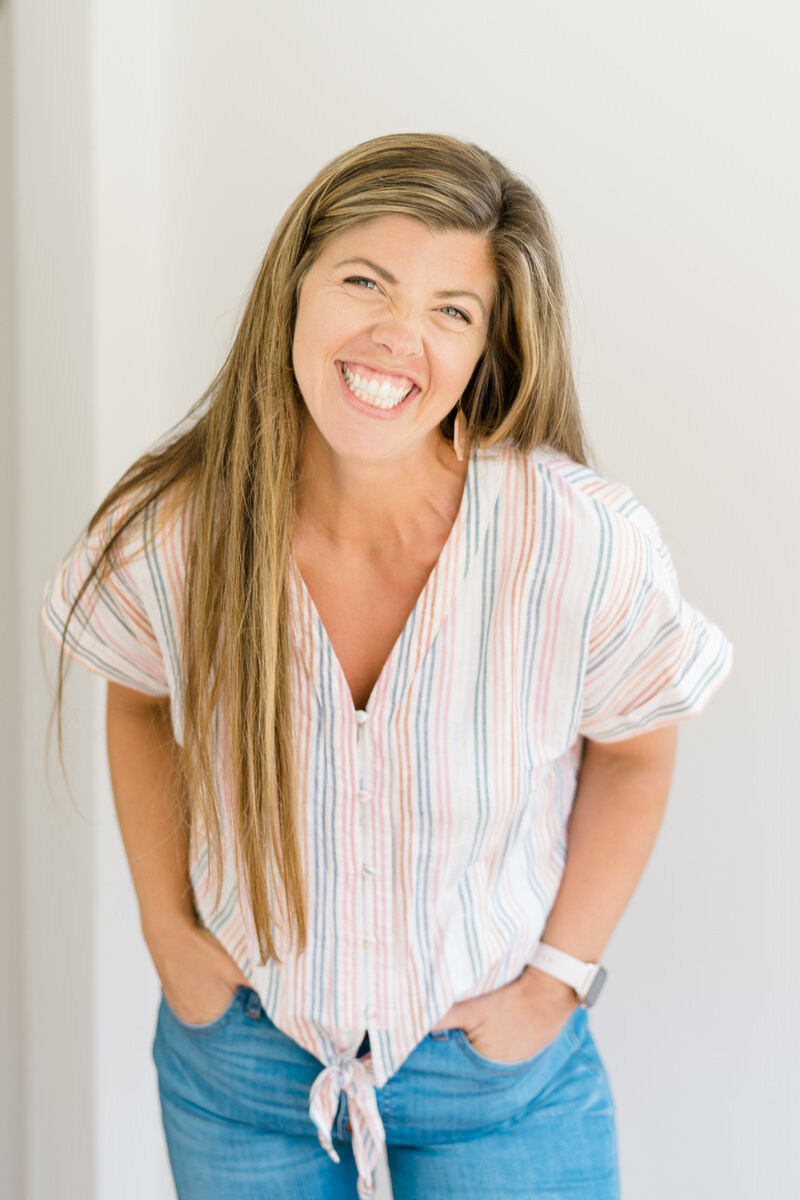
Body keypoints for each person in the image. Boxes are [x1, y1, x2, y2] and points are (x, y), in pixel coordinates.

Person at [40, 131, 733, 1200]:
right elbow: (137, 702)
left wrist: (553, 985)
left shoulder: (578, 543)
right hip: (240, 1070)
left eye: (452, 311)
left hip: (497, 1083)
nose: (397, 336)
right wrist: (167, 934)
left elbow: (636, 755)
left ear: (486, 347)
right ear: (294, 286)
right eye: (365, 281)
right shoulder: (171, 532)